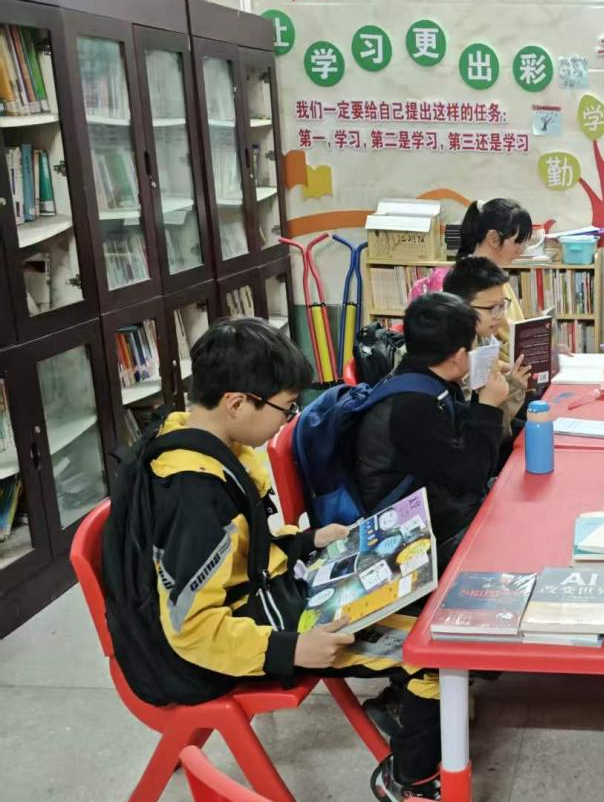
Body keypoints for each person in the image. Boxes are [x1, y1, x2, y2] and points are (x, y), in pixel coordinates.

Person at [112, 318, 446, 801]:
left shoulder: (196, 437)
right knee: (432, 657)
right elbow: (194, 630)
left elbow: (242, 549)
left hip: (262, 602)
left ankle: (411, 730)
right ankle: (409, 782)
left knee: (414, 599)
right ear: (237, 403)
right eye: (285, 408)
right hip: (223, 649)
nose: (289, 419)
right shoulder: (194, 495)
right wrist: (291, 651)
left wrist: (307, 541)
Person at [352, 292, 507, 561]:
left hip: (434, 498)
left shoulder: (420, 376)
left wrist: (482, 400)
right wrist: (488, 406)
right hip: (406, 534)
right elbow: (471, 475)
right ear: (459, 357)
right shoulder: (413, 406)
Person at [442, 256, 531, 441]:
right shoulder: (450, 357)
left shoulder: (483, 339)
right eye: (492, 308)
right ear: (460, 306)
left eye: (502, 306)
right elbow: (476, 435)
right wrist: (511, 389)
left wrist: (510, 384)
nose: (500, 315)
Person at [456, 198, 533, 354]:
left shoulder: (494, 275)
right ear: (493, 238)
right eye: (517, 242)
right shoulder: (472, 280)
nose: (521, 251)